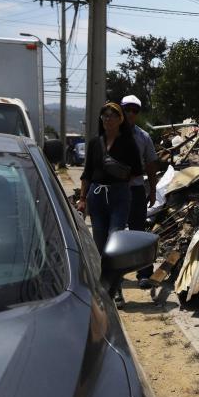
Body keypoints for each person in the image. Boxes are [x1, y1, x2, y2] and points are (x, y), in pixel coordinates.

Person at [77, 102, 143, 308]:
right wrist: (82, 198)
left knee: (115, 241)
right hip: (97, 196)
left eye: (112, 116)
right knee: (99, 243)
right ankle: (102, 288)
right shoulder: (95, 143)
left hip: (119, 196)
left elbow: (137, 171)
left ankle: (116, 290)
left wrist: (119, 178)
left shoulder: (128, 143)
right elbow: (87, 173)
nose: (108, 119)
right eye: (104, 116)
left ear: (120, 119)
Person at [120, 95, 159, 289]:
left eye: (135, 110)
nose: (130, 114)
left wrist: (152, 191)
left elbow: (151, 165)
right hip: (114, 191)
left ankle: (144, 273)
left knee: (138, 232)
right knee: (115, 233)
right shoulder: (110, 134)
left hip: (135, 190)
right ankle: (115, 275)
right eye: (127, 109)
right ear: (121, 110)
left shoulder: (143, 137)